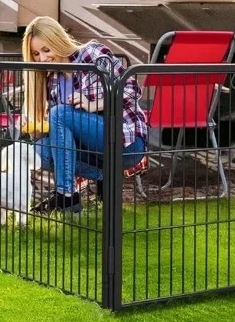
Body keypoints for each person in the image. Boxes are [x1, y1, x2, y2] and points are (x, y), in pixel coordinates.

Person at [22, 16, 146, 216]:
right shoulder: (52, 80)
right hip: (92, 152)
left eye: (46, 50)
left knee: (60, 113)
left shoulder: (91, 53)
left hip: (125, 142)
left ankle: (66, 196)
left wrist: (93, 104)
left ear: (58, 40)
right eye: (36, 54)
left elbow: (131, 89)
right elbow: (60, 133)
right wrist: (37, 130)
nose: (42, 59)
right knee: (40, 152)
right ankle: (101, 176)